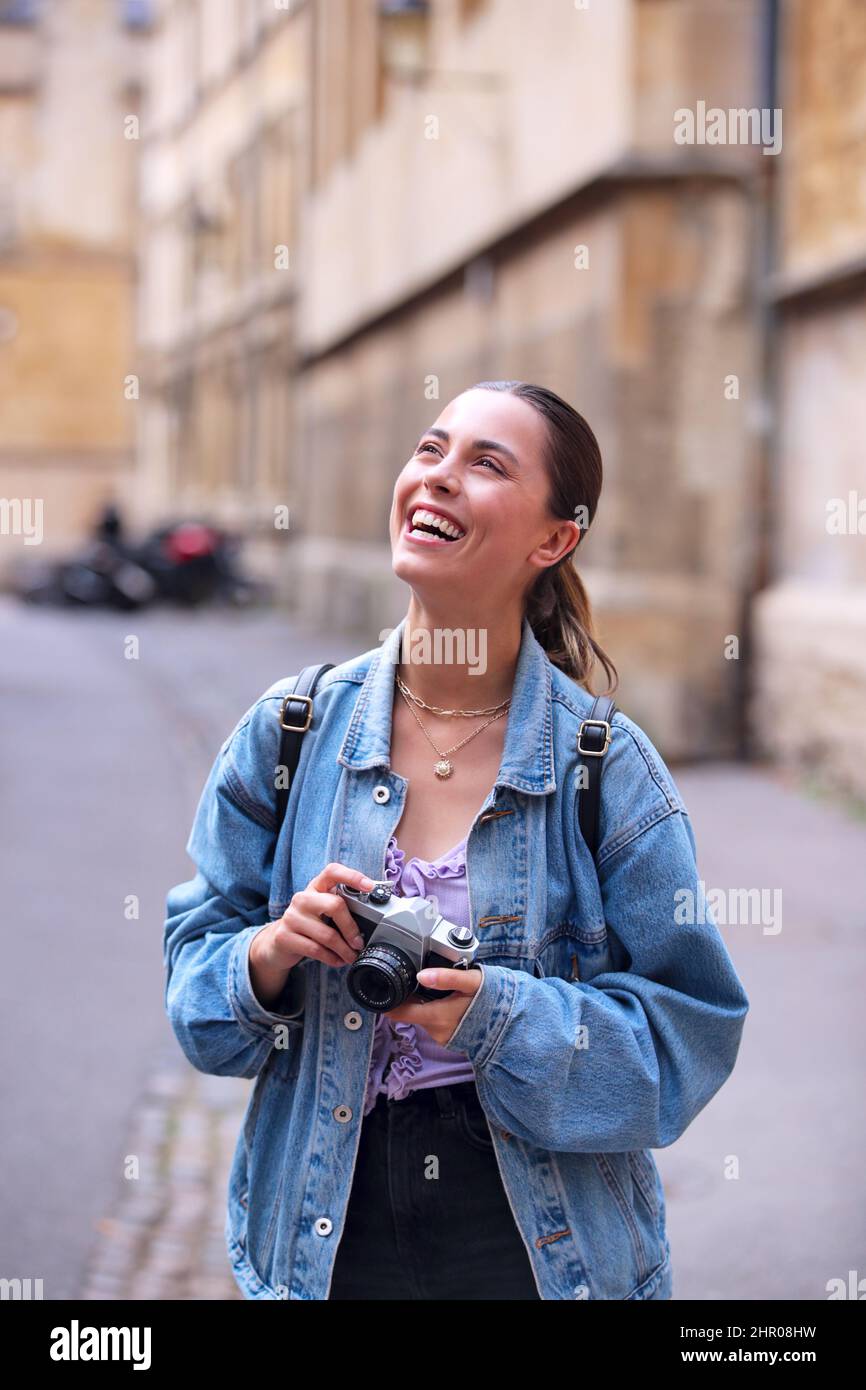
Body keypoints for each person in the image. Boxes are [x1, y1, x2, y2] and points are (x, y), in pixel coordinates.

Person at [163, 381, 750, 1301]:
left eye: (485, 464)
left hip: (533, 1232)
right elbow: (196, 1000)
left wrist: (492, 1016)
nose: (437, 478)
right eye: (430, 450)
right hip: (324, 1224)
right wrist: (273, 952)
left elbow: (688, 1040)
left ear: (554, 540)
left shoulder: (606, 768)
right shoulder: (290, 732)